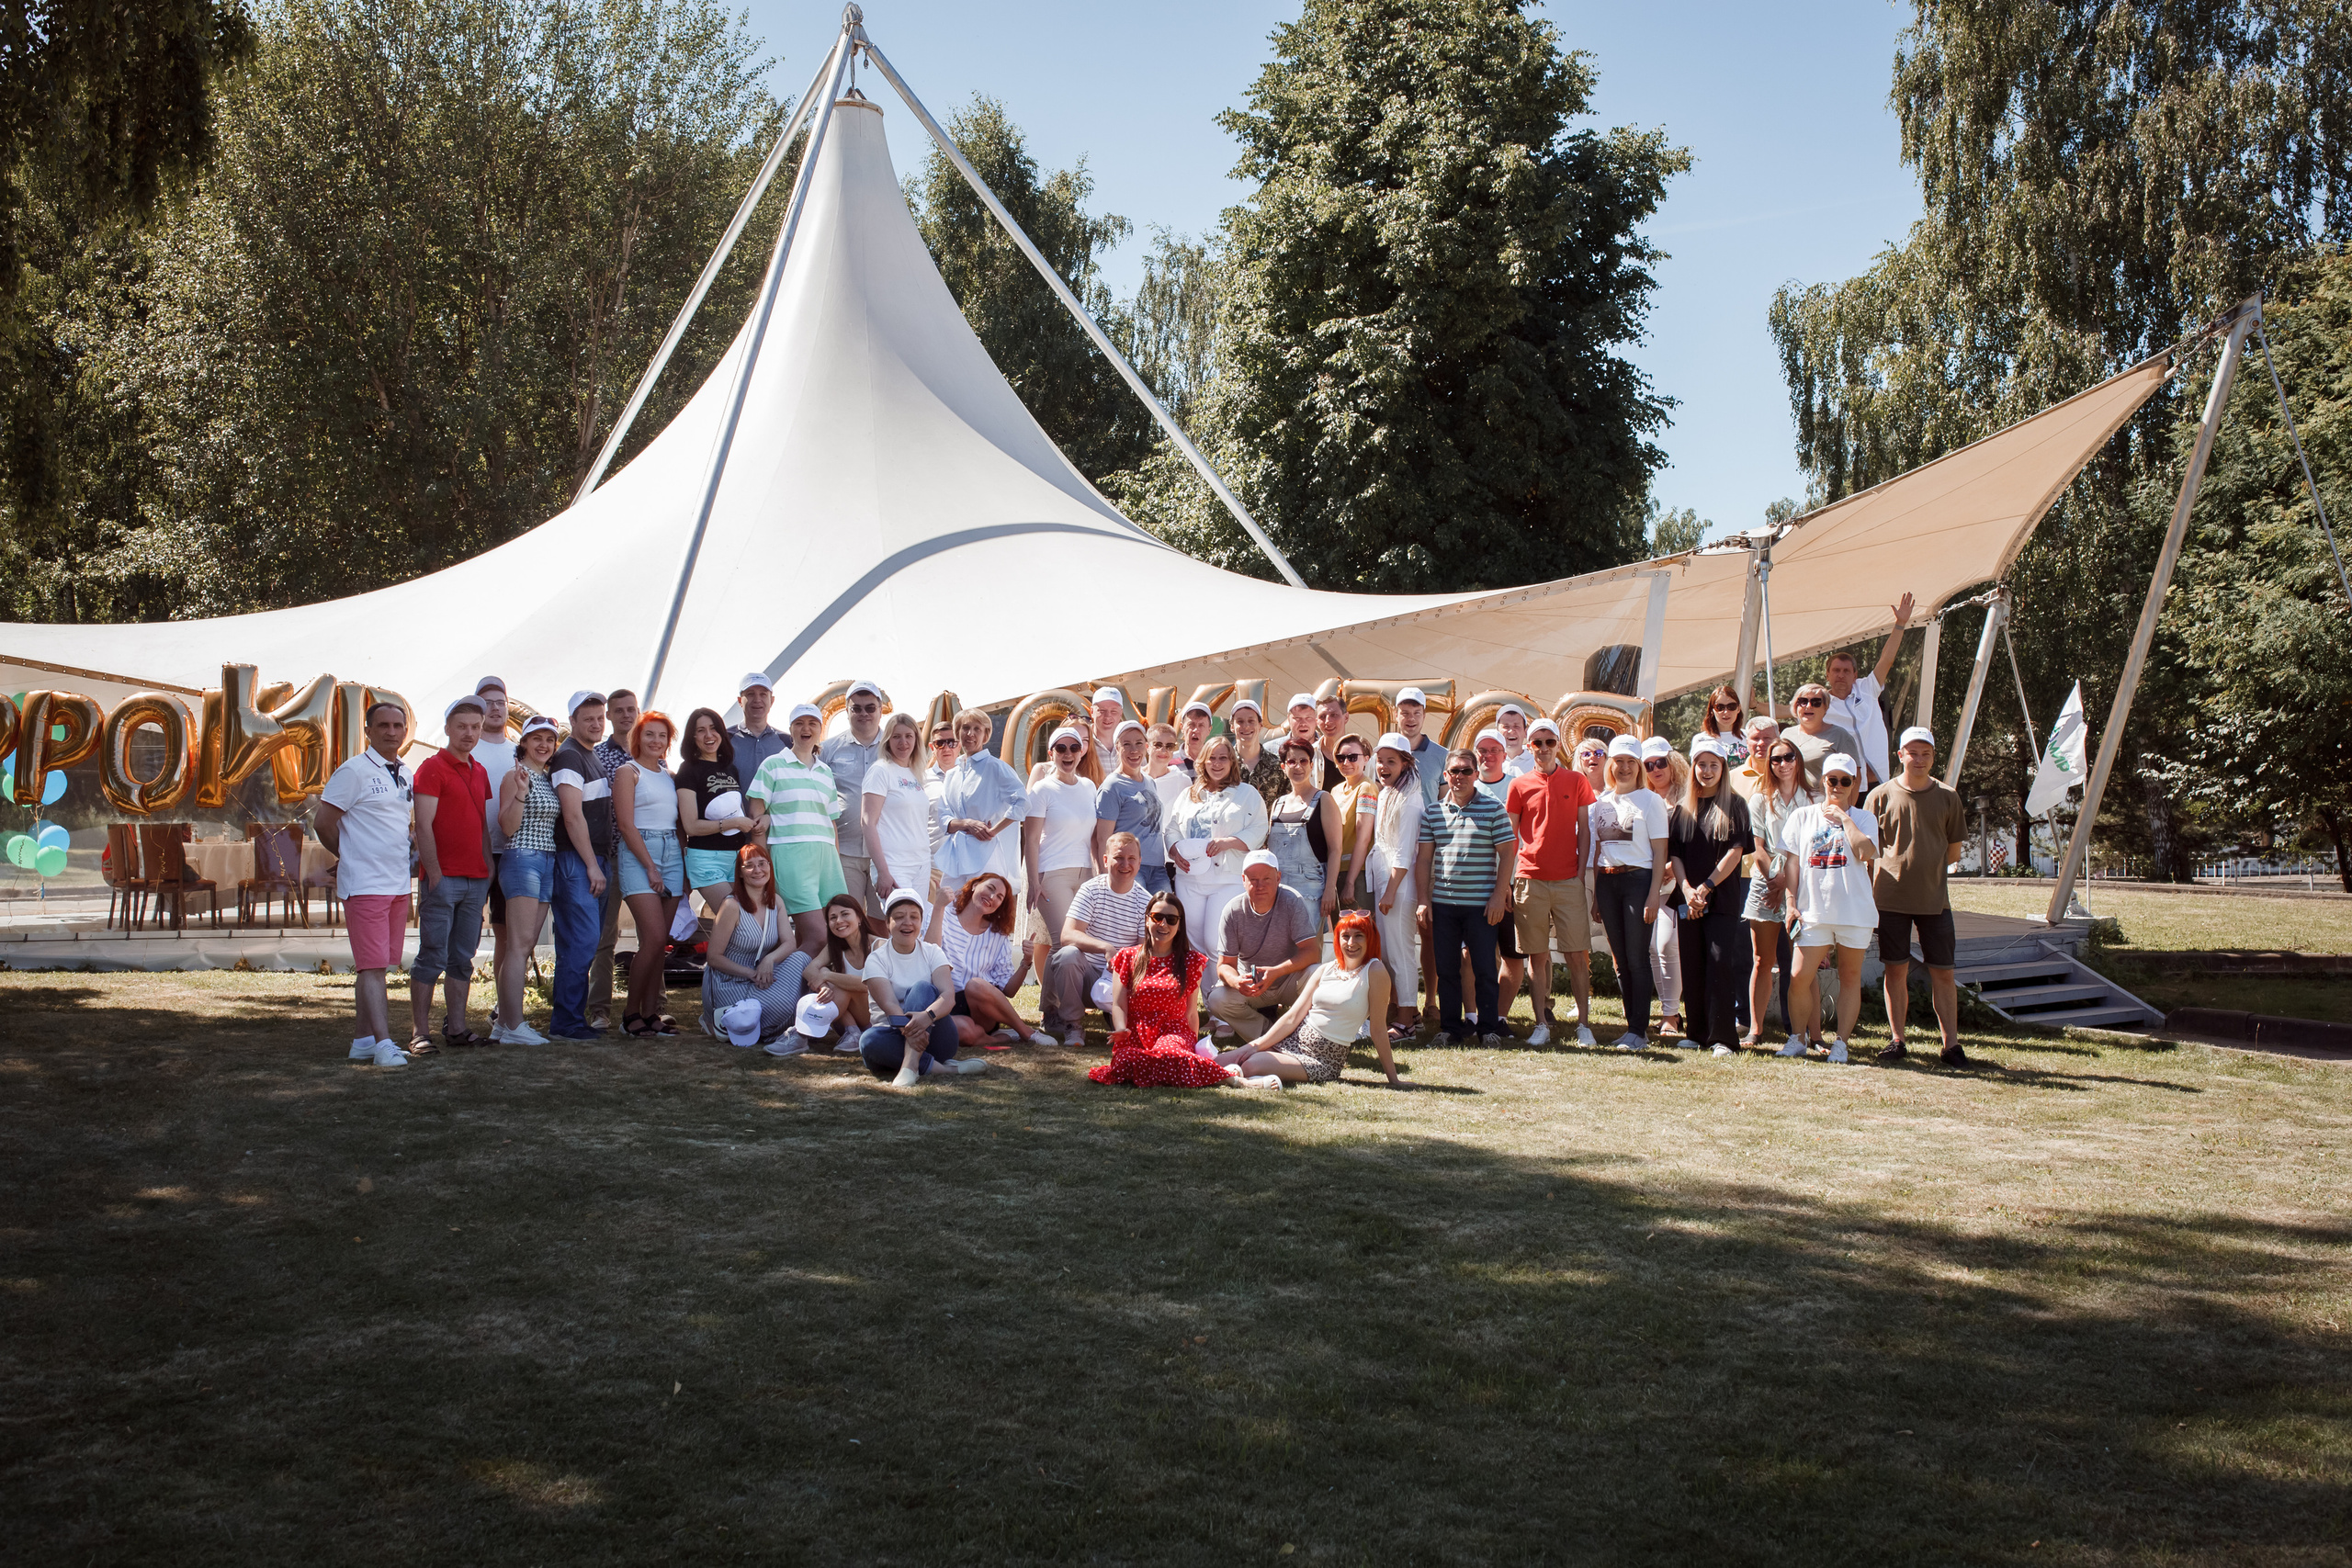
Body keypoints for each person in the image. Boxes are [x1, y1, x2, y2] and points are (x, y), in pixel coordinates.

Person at [314, 700, 416, 1068]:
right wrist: (348, 854)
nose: (391, 732)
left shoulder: (405, 772)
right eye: (383, 725)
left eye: (398, 725)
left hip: (397, 884)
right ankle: (385, 1044)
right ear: (368, 731)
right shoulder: (353, 771)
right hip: (365, 885)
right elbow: (323, 823)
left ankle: (364, 1041)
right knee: (371, 968)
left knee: (380, 965)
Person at [1866, 725, 1971, 1065]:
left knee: (1944, 972)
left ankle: (1951, 1045)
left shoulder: (1948, 796)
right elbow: (1868, 852)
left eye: (1926, 753)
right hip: (1889, 899)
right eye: (1913, 753)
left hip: (1934, 901)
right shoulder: (1879, 796)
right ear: (1901, 755)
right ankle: (1897, 1040)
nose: (1919, 759)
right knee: (1895, 970)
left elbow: (1953, 852)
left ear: (1933, 757)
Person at [1220, 910, 1398, 1087]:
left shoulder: (1375, 971)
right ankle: (1225, 1075)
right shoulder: (1326, 969)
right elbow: (1293, 1017)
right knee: (1224, 1060)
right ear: (1338, 939)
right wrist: (1255, 1045)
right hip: (1292, 1041)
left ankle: (1246, 1081)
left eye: (1359, 936)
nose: (1351, 943)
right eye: (1345, 936)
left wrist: (1394, 1079)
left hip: (1323, 1058)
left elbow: (1378, 1029)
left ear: (1370, 939)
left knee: (1251, 1065)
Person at [1779, 752, 1879, 1063]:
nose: (1837, 786)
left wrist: (1845, 819)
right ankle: (1797, 1038)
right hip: (1813, 911)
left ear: (1853, 785)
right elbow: (1792, 864)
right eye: (1832, 779)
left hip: (1854, 912)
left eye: (1845, 781)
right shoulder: (1802, 816)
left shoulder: (1864, 818)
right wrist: (1791, 904)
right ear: (1823, 781)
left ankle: (1841, 1044)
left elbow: (1865, 852)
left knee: (1850, 977)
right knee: (1798, 976)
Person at [408, 694, 493, 1053]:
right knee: (432, 955)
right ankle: (420, 1033)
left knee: (463, 957)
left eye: (475, 727)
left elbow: (482, 825)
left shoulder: (480, 771)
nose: (469, 733)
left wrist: (488, 870)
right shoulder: (431, 768)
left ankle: (457, 1028)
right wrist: (435, 873)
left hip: (476, 879)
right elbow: (422, 826)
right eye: (462, 727)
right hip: (444, 879)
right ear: (447, 728)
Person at [1506, 716, 1597, 1047]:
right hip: (1529, 879)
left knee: (1577, 955)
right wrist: (1508, 881)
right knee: (1537, 957)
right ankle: (1541, 1024)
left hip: (1568, 880)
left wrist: (1579, 873)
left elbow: (1584, 830)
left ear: (1558, 745)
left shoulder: (1577, 780)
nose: (1543, 748)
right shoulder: (1519, 785)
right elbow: (1511, 837)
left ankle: (1583, 1025)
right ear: (1529, 746)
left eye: (1549, 742)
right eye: (1537, 743)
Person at [1087, 893, 1236, 1088]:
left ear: (1179, 925)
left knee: (1169, 1053)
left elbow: (1191, 1012)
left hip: (1174, 1032)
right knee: (1124, 1061)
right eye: (1157, 917)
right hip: (1135, 1033)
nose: (1163, 924)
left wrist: (1191, 1045)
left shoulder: (1191, 961)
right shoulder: (1127, 957)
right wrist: (1121, 1028)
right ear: (1147, 919)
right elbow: (1119, 1005)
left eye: (1171, 919)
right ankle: (1180, 1068)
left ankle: (1231, 1078)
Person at [1163, 734, 1268, 995]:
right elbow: (1172, 828)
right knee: (1195, 942)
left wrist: (1228, 842)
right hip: (1190, 879)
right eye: (1212, 758)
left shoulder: (1247, 794)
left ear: (1232, 762)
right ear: (1203, 761)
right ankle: (1210, 1002)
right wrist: (1174, 850)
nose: (1217, 763)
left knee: (1215, 942)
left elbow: (1259, 829)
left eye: (1223, 758)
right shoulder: (1189, 794)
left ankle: (1224, 999)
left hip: (1227, 879)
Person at [1426, 746, 1516, 1044]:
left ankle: (1488, 1029)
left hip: (1482, 905)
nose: (1460, 776)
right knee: (1447, 969)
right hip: (1444, 904)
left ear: (1476, 774)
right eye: (1455, 771)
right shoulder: (1433, 812)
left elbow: (1507, 854)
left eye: (1466, 771)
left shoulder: (1494, 808)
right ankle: (1451, 1029)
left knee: (1485, 969)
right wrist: (1424, 901)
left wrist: (1499, 896)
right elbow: (1424, 860)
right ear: (1446, 774)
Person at [1671, 737, 1756, 1055]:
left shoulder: (1736, 805)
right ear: (1693, 767)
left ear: (1723, 768)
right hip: (1689, 900)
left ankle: (1723, 1037)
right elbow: (1675, 855)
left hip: (1720, 898)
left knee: (1719, 963)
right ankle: (1696, 1032)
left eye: (1713, 765)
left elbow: (1735, 852)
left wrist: (1706, 886)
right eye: (1701, 765)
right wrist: (1686, 889)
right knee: (1692, 962)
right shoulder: (1683, 808)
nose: (1707, 771)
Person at [746, 701, 847, 962]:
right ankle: (775, 977)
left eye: (812, 723)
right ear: (790, 729)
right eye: (799, 723)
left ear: (820, 730)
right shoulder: (772, 765)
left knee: (822, 936)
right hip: (791, 857)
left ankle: (802, 988)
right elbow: (757, 818)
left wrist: (835, 859)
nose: (806, 729)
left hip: (827, 860)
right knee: (819, 937)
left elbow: (830, 822)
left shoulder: (825, 772)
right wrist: (763, 864)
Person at [1589, 736, 1670, 1051]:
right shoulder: (1602, 802)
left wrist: (1653, 895)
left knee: (1637, 958)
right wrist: (1597, 896)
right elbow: (1599, 850)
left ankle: (1639, 1030)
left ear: (1639, 767)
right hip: (1608, 883)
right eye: (1618, 761)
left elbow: (1660, 852)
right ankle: (1633, 1028)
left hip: (1638, 881)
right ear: (1610, 765)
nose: (1624, 768)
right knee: (1620, 960)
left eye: (1630, 762)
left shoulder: (1651, 801)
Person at [858, 886, 987, 1087]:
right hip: (893, 1036)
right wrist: (913, 1031)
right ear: (887, 923)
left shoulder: (933, 952)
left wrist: (927, 1017)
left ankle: (910, 1066)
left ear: (921, 921)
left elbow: (948, 996)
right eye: (899, 917)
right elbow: (890, 1006)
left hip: (936, 1036)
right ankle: (944, 1069)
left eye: (914, 917)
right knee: (868, 1042)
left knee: (922, 989)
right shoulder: (876, 959)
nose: (907, 922)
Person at [612, 709, 685, 1039]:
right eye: (649, 734)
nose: (656, 741)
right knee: (653, 938)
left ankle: (651, 1013)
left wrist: (681, 864)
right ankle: (630, 1015)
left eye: (662, 735)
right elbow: (626, 825)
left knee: (660, 943)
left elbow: (678, 823)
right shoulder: (628, 772)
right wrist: (651, 867)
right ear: (638, 738)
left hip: (673, 853)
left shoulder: (670, 776)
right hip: (639, 854)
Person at [490, 716, 561, 1043]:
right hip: (522, 858)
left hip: (547, 859)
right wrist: (520, 792)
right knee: (518, 945)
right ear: (524, 743)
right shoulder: (515, 776)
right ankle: (514, 1025)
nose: (544, 745)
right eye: (537, 738)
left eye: (549, 739)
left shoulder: (546, 777)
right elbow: (507, 826)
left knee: (525, 943)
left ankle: (505, 1023)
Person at [548, 690, 614, 1042]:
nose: (596, 723)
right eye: (588, 718)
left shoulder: (589, 754)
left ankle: (571, 1018)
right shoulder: (570, 756)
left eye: (600, 717)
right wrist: (592, 865)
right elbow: (572, 817)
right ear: (572, 721)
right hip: (577, 861)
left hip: (592, 859)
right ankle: (567, 1022)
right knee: (581, 942)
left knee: (581, 943)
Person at [1046, 832, 1151, 1046]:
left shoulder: (1146, 901)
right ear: (1105, 860)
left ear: (1140, 862)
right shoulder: (1091, 890)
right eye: (1118, 857)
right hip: (1087, 976)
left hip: (1122, 981)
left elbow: (1144, 952)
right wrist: (1106, 948)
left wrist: (1122, 971)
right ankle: (1073, 1025)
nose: (1125, 864)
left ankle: (1119, 1017)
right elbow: (1067, 935)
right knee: (1067, 955)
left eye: (1131, 859)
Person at [701, 845, 809, 1051]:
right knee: (783, 1006)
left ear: (769, 866)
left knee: (802, 958)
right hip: (730, 982)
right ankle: (776, 1026)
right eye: (749, 866)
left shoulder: (775, 901)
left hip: (761, 976)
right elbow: (713, 957)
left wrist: (769, 959)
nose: (757, 870)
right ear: (740, 873)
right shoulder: (731, 906)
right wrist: (750, 973)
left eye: (762, 864)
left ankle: (788, 1023)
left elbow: (790, 943)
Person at [1744, 734, 1814, 1050]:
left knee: (1800, 963)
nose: (1782, 764)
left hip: (1801, 887)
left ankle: (1808, 1033)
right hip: (1765, 883)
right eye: (1776, 759)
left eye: (1788, 757)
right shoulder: (1759, 799)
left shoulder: (1814, 798)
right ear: (1769, 764)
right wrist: (1775, 880)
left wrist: (1786, 882)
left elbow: (1813, 849)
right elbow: (1757, 848)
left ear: (1797, 760)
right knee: (1761, 960)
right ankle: (1755, 1031)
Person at [1209, 850, 1321, 1036]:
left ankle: (1311, 1031)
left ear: (1278, 878)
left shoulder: (1292, 901)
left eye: (1266, 879)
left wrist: (1276, 971)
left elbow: (1312, 952)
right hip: (1253, 984)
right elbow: (1224, 965)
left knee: (1319, 974)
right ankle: (1267, 1033)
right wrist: (1237, 981)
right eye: (1253, 879)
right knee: (1217, 1000)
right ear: (1243, 880)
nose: (1260, 885)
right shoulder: (1232, 911)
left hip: (1289, 980)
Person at [1023, 725, 1102, 992]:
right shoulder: (1042, 789)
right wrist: (1033, 882)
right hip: (1053, 874)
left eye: (1074, 748)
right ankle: (1054, 1008)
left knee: (1079, 943)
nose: (1068, 754)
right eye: (1061, 748)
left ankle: (1060, 1004)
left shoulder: (1089, 787)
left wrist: (1100, 876)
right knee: (1063, 942)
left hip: (1086, 875)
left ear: (1082, 752)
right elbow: (1031, 839)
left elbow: (1094, 838)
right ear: (1051, 753)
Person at [1368, 732, 1430, 1040]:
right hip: (1385, 881)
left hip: (1399, 886)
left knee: (1401, 953)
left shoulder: (1410, 799)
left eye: (1391, 761)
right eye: (1380, 760)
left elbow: (1405, 852)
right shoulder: (1386, 794)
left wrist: (1390, 892)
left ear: (1406, 763)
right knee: (1390, 953)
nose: (1383, 767)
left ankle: (1406, 1020)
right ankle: (1409, 1012)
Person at [935, 707, 1028, 905]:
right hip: (956, 854)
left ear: (986, 735)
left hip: (986, 855)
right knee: (948, 908)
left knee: (983, 909)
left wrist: (994, 831)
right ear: (957, 733)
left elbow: (1022, 802)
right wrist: (966, 824)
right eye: (965, 728)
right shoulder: (952, 774)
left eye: (977, 729)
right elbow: (943, 816)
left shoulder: (996, 767)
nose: (970, 734)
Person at [587, 688, 639, 1030]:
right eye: (618, 710)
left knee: (652, 935)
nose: (625, 715)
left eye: (630, 709)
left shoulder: (652, 752)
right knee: (605, 936)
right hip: (610, 854)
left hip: (644, 855)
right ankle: (599, 1009)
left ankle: (654, 1005)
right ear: (609, 716)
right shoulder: (597, 756)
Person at [1825, 592, 1915, 786]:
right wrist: (1757, 705)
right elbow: (1787, 710)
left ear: (1855, 675)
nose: (1841, 675)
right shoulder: (1818, 702)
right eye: (1836, 671)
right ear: (1827, 675)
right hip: (1843, 784)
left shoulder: (1867, 687)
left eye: (1846, 671)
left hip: (1877, 780)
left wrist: (1900, 624)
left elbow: (1887, 659)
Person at [942, 871, 1042, 1045]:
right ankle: (999, 1038)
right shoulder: (944, 916)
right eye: (990, 888)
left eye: (999, 897)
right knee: (965, 1032)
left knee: (975, 985)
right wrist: (937, 907)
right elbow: (928, 951)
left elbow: (1009, 991)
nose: (992, 897)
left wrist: (1026, 962)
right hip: (946, 1003)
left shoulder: (998, 934)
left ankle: (1026, 1032)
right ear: (974, 885)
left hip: (981, 1007)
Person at [1471, 730, 1528, 1026]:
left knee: (1512, 955)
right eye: (1483, 750)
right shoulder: (1465, 786)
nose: (1488, 755)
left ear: (1505, 755)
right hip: (1473, 885)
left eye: (1495, 750)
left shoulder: (1516, 787)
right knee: (1470, 955)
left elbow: (1523, 838)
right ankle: (1474, 1016)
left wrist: (1507, 882)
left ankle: (1499, 1016)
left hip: (1511, 884)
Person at [677, 707, 753, 920]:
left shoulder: (730, 769)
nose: (709, 735)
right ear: (692, 737)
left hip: (737, 857)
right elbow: (691, 826)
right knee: (735, 918)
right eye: (701, 730)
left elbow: (737, 809)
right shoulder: (688, 770)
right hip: (706, 858)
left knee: (744, 919)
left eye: (713, 728)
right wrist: (733, 823)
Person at [471, 677, 518, 1028]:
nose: (496, 708)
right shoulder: (467, 748)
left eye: (500, 701)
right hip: (472, 854)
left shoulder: (518, 751)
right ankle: (455, 1015)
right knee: (466, 936)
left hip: (510, 853)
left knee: (507, 935)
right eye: (488, 702)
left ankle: (503, 1010)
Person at [820, 681, 888, 912]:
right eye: (856, 708)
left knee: (883, 921)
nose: (863, 713)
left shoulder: (894, 746)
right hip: (844, 853)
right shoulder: (828, 749)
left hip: (886, 852)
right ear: (847, 711)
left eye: (870, 708)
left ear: (880, 710)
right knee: (848, 919)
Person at [1640, 737, 1690, 1037]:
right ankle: (1668, 1012)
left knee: (1667, 944)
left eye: (1660, 762)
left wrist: (1671, 868)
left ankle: (1671, 1014)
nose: (1655, 769)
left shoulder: (1688, 796)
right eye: (1648, 765)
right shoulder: (1642, 797)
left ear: (1673, 763)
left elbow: (1694, 841)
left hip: (1678, 882)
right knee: (1651, 947)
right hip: (1650, 882)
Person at [860, 712, 934, 916]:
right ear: (887, 741)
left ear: (916, 739)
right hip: (894, 864)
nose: (903, 742)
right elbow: (867, 823)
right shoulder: (880, 771)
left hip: (920, 864)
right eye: (896, 737)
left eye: (909, 736)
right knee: (902, 921)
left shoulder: (916, 773)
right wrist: (883, 871)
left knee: (918, 926)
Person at [1268, 739, 1340, 923]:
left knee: (1309, 941)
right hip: (1278, 889)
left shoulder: (1324, 799)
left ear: (1311, 765)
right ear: (1283, 767)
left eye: (1303, 761)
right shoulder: (1278, 804)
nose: (1298, 766)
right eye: (1292, 761)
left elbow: (1335, 849)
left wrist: (1329, 889)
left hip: (1311, 890)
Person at [1093, 720, 1168, 897]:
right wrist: (1105, 877)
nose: (1134, 750)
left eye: (1139, 743)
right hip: (1128, 868)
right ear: (1117, 748)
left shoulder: (1150, 781)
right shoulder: (1112, 786)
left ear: (1146, 747)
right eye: (1126, 744)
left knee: (1164, 912)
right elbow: (1102, 838)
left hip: (1157, 867)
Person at [804, 893, 880, 1047]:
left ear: (859, 917)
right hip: (843, 1023)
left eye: (845, 914)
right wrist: (824, 987)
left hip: (876, 1020)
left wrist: (828, 975)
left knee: (839, 983)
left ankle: (802, 1032)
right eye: (833, 917)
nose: (839, 921)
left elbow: (872, 985)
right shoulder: (835, 947)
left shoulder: (879, 945)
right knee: (831, 983)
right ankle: (852, 1032)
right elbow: (809, 970)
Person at [1329, 734, 1379, 910]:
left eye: (1352, 757)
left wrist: (1350, 882)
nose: (1346, 762)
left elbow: (1363, 838)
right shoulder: (1335, 791)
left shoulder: (1366, 787)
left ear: (1366, 759)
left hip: (1358, 874)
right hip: (1336, 870)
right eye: (1340, 757)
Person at [1784, 682, 1861, 795]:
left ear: (1825, 707)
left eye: (1816, 702)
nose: (1808, 706)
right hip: (1791, 801)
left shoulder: (1840, 736)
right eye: (1803, 701)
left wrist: (1847, 806)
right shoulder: (1785, 735)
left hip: (1825, 802)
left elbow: (1855, 777)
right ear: (1796, 706)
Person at [1392, 688, 1448, 807]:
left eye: (1416, 713)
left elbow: (1445, 805)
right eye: (1405, 713)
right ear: (1396, 715)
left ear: (1424, 716)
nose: (1411, 718)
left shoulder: (1443, 756)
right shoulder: (1382, 756)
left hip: (1428, 820)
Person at [728, 671, 788, 780]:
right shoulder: (724, 739)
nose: (757, 700)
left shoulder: (788, 742)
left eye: (763, 694)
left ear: (772, 700)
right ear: (740, 701)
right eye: (750, 694)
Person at [1228, 696, 1285, 807]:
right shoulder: (1223, 764)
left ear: (1260, 725)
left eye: (1251, 721)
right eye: (1240, 721)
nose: (1246, 726)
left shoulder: (1277, 766)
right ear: (1232, 727)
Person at [1147, 722, 1192, 817]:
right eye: (1158, 745)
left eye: (1169, 746)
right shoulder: (1133, 778)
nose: (1163, 751)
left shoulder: (1183, 781)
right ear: (1147, 747)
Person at [1700, 687, 1752, 768]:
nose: (1726, 712)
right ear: (1712, 710)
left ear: (1738, 708)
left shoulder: (1749, 736)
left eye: (1731, 706)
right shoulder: (1702, 740)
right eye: (1719, 707)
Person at [1314, 690, 1351, 788]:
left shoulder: (1362, 755)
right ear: (1316, 722)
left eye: (1334, 715)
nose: (1328, 721)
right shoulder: (1309, 755)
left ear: (1346, 717)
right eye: (1322, 717)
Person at [1089, 686, 1127, 778]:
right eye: (1102, 711)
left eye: (1113, 711)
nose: (1108, 716)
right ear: (1092, 712)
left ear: (1121, 713)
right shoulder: (1081, 744)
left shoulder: (1132, 743)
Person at [1173, 699, 1214, 776]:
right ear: (1182, 727)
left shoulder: (1216, 762)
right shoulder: (1169, 762)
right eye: (1191, 725)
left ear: (1209, 730)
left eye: (1201, 725)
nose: (1196, 730)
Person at [1497, 704, 1539, 778]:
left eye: (1516, 726)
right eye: (1506, 726)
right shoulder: (1489, 762)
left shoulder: (1537, 763)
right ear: (1497, 732)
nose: (1511, 731)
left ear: (1525, 732)